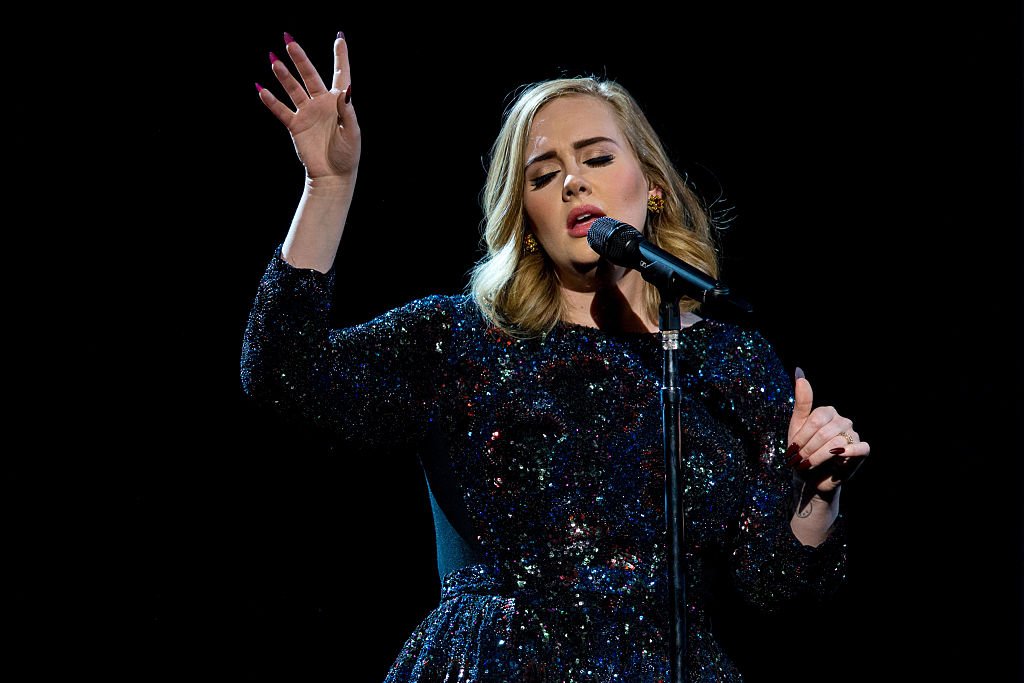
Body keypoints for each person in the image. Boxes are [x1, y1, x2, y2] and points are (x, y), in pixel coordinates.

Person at [240, 31, 870, 682]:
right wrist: (329, 185)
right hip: (497, 663)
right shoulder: (462, 339)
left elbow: (777, 590)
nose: (573, 181)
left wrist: (819, 495)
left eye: (596, 158)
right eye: (544, 174)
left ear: (651, 186)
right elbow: (287, 373)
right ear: (527, 216)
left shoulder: (725, 361)